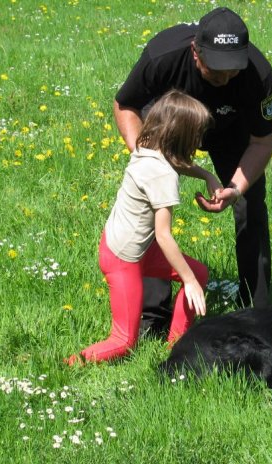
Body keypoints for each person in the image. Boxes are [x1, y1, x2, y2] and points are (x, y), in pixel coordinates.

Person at [114, 6, 272, 332]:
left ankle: (256, 309)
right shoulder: (163, 55)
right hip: (171, 124)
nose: (224, 78)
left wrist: (234, 188)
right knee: (151, 207)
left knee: (251, 204)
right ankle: (154, 317)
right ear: (196, 52)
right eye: (215, 70)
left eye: (232, 71)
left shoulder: (256, 73)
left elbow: (262, 142)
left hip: (231, 130)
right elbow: (126, 104)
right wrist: (145, 160)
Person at [66, 90, 215, 365]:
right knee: (123, 341)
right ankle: (68, 365)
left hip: (131, 246)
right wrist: (190, 282)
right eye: (196, 134)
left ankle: (177, 345)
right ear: (181, 136)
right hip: (123, 259)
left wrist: (206, 175)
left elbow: (177, 163)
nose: (199, 141)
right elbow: (164, 235)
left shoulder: (145, 148)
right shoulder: (163, 175)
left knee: (198, 272)